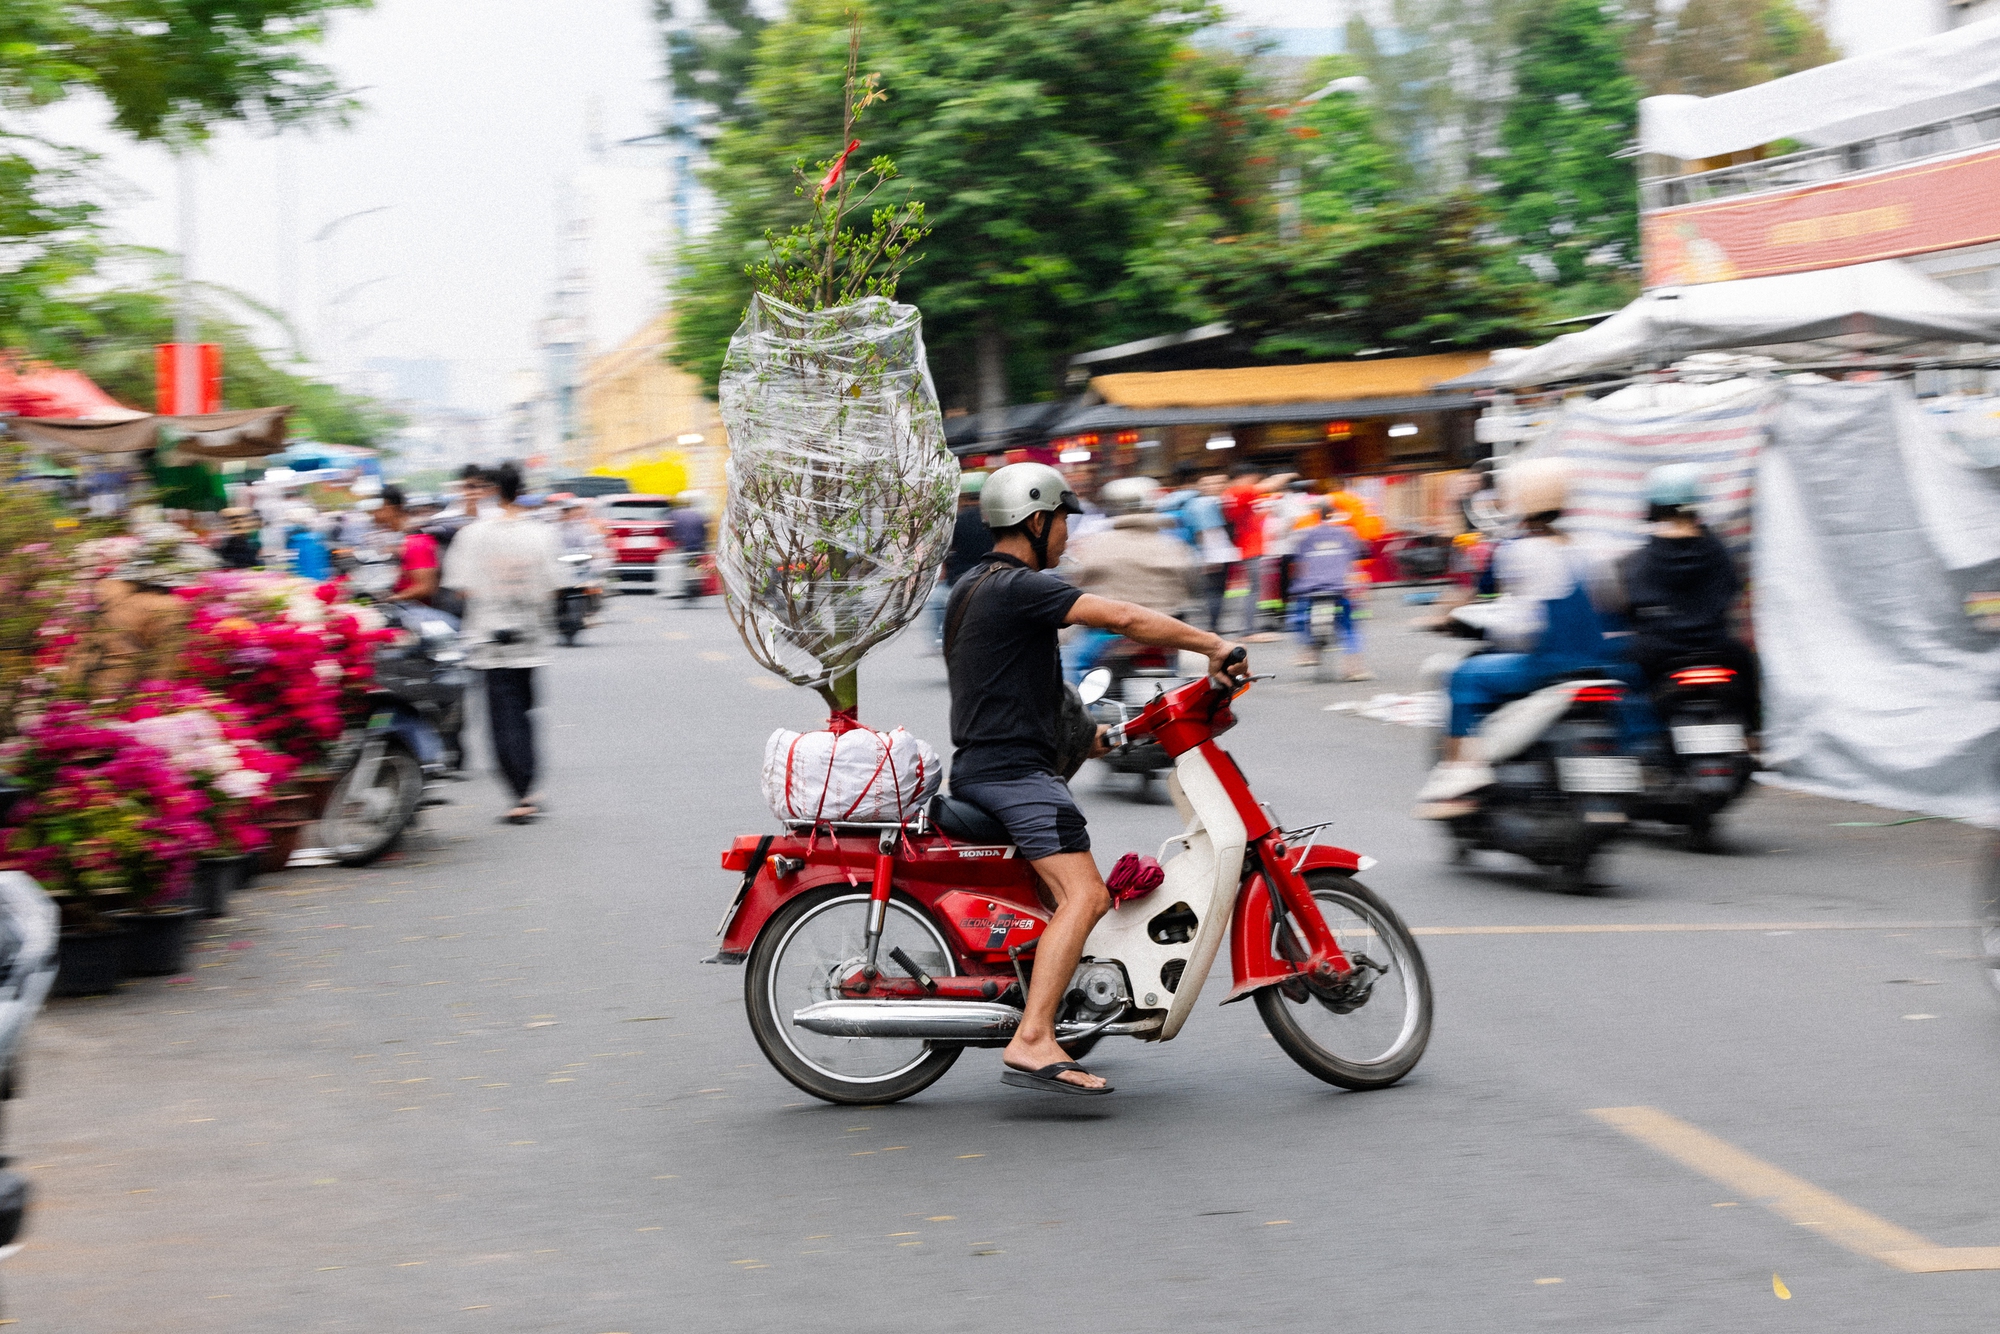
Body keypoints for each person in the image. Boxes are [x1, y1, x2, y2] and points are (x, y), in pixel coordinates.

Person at [944, 462, 1247, 1095]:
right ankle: (1031, 1040)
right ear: (1035, 520)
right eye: (1062, 523)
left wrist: (1101, 737)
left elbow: (1018, 687)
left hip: (990, 765)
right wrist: (1213, 645)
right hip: (1014, 776)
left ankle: (1059, 1008)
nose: (1067, 538)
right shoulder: (1018, 586)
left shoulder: (975, 586)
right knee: (1087, 896)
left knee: (1062, 901)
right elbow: (1125, 619)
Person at [1415, 457, 1641, 819]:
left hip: (1544, 665)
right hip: (1596, 664)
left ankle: (1461, 773)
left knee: (1463, 677)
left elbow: (1520, 629)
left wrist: (1476, 624)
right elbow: (1612, 606)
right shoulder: (1589, 548)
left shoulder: (1517, 551)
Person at [441, 462, 561, 826]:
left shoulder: (471, 535)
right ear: (521, 490)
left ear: (492, 491)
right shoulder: (542, 534)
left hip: (488, 640)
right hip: (530, 638)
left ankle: (520, 793)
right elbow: (553, 586)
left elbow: (461, 588)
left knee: (502, 717)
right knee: (523, 712)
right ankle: (527, 789)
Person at [1619, 463, 1759, 729]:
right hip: (1719, 649)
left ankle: (1645, 747)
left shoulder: (1641, 558)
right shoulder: (1719, 550)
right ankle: (1752, 737)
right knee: (1748, 666)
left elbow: (1632, 604)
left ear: (1655, 507)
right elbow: (1733, 589)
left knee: (1626, 676)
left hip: (1660, 653)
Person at [1059, 475, 1201, 681]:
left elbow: (1077, 583)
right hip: (1166, 632)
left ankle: (1077, 712)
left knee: (1070, 664)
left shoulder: (1095, 546)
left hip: (1108, 634)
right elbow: (1193, 586)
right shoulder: (1175, 546)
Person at [1288, 505, 1371, 679]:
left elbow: (1300, 565)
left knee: (1298, 616)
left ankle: (1307, 650)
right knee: (1348, 625)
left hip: (1310, 588)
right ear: (1336, 515)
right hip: (1338, 588)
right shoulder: (1347, 534)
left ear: (1318, 516)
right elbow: (1354, 561)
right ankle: (1354, 669)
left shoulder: (1306, 535)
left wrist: (1300, 585)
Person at [928, 472, 992, 652]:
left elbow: (944, 550)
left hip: (960, 580)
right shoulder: (993, 519)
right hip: (993, 576)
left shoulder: (956, 521)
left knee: (935, 602)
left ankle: (941, 637)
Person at [1180, 473, 1237, 632]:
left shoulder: (1197, 504)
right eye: (1209, 484)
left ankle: (1213, 625)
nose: (1215, 486)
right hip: (1214, 554)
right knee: (1215, 591)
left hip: (1211, 554)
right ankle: (1213, 627)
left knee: (1214, 591)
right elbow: (1206, 533)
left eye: (1219, 482)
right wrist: (1210, 558)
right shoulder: (1206, 504)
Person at [376, 485, 440, 604]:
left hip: (419, 612)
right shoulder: (398, 536)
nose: (373, 514)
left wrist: (389, 600)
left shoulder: (416, 541)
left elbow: (425, 587)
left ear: (390, 508)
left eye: (377, 509)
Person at [670, 494, 710, 601]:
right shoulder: (699, 514)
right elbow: (704, 530)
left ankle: (687, 584)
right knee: (695, 564)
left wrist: (674, 540)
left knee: (685, 565)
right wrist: (704, 544)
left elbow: (671, 530)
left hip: (685, 545)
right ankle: (696, 583)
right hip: (697, 545)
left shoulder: (675, 514)